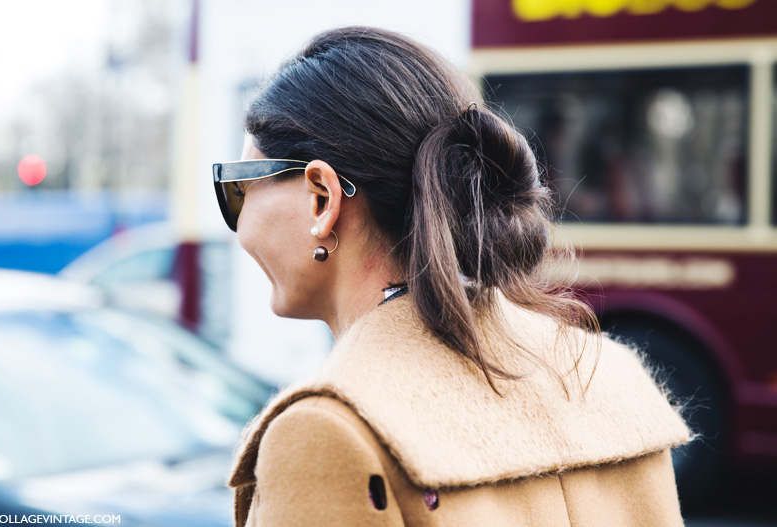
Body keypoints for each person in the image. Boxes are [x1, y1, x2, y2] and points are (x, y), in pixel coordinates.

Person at [215, 26, 691, 527]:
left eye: (239, 189)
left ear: (321, 198)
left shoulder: (328, 432)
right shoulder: (608, 374)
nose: (240, 226)